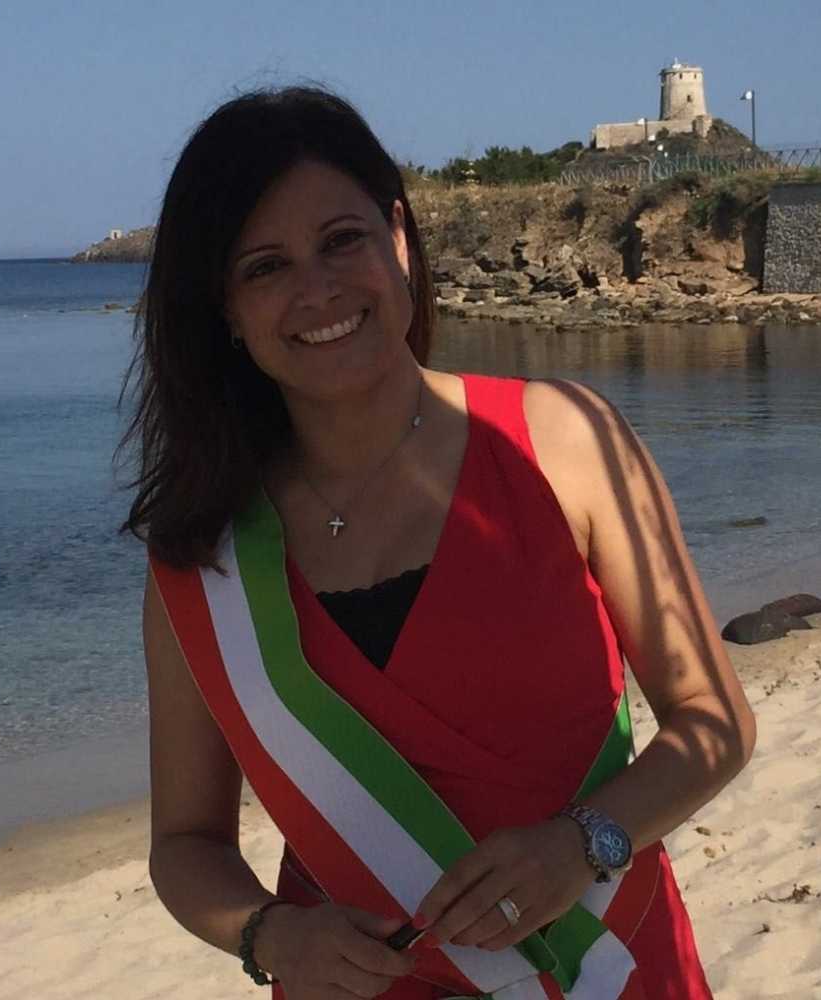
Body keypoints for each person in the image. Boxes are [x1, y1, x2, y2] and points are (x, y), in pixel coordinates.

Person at [120, 86, 756, 1000]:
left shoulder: (564, 442)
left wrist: (582, 843)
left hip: (606, 972)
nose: (317, 289)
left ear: (399, 240)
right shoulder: (200, 560)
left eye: (342, 240)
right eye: (266, 266)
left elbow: (714, 722)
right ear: (224, 307)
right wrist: (268, 934)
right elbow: (185, 844)